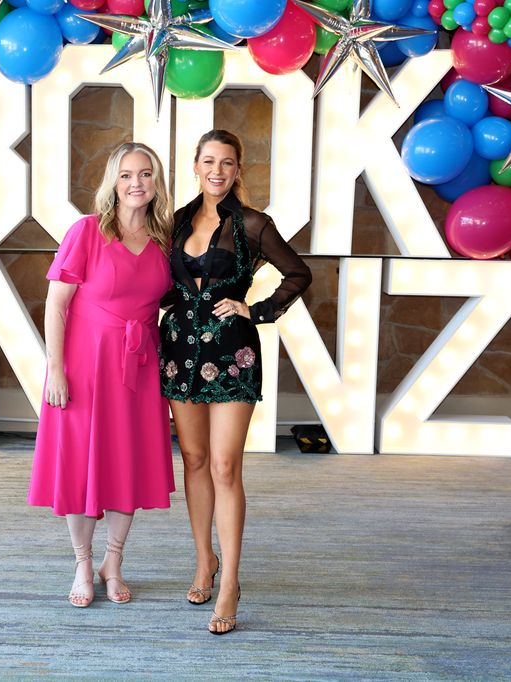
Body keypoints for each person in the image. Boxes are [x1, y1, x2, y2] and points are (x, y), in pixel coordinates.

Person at [159, 130, 312, 634]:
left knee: (225, 466)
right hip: (180, 353)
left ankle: (230, 583)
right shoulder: (176, 221)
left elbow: (298, 274)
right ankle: (205, 561)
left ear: (238, 169)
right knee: (196, 459)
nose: (217, 171)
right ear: (196, 166)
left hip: (233, 352)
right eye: (209, 161)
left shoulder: (253, 224)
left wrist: (258, 309)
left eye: (227, 162)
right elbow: (161, 283)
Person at [28, 142, 175, 608]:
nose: (137, 183)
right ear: (113, 181)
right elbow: (56, 304)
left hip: (139, 368)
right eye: (127, 174)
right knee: (80, 467)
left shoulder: (164, 240)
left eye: (146, 174)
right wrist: (55, 369)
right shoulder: (87, 232)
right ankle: (81, 563)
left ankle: (113, 560)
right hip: (86, 368)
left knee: (126, 466)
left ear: (156, 183)